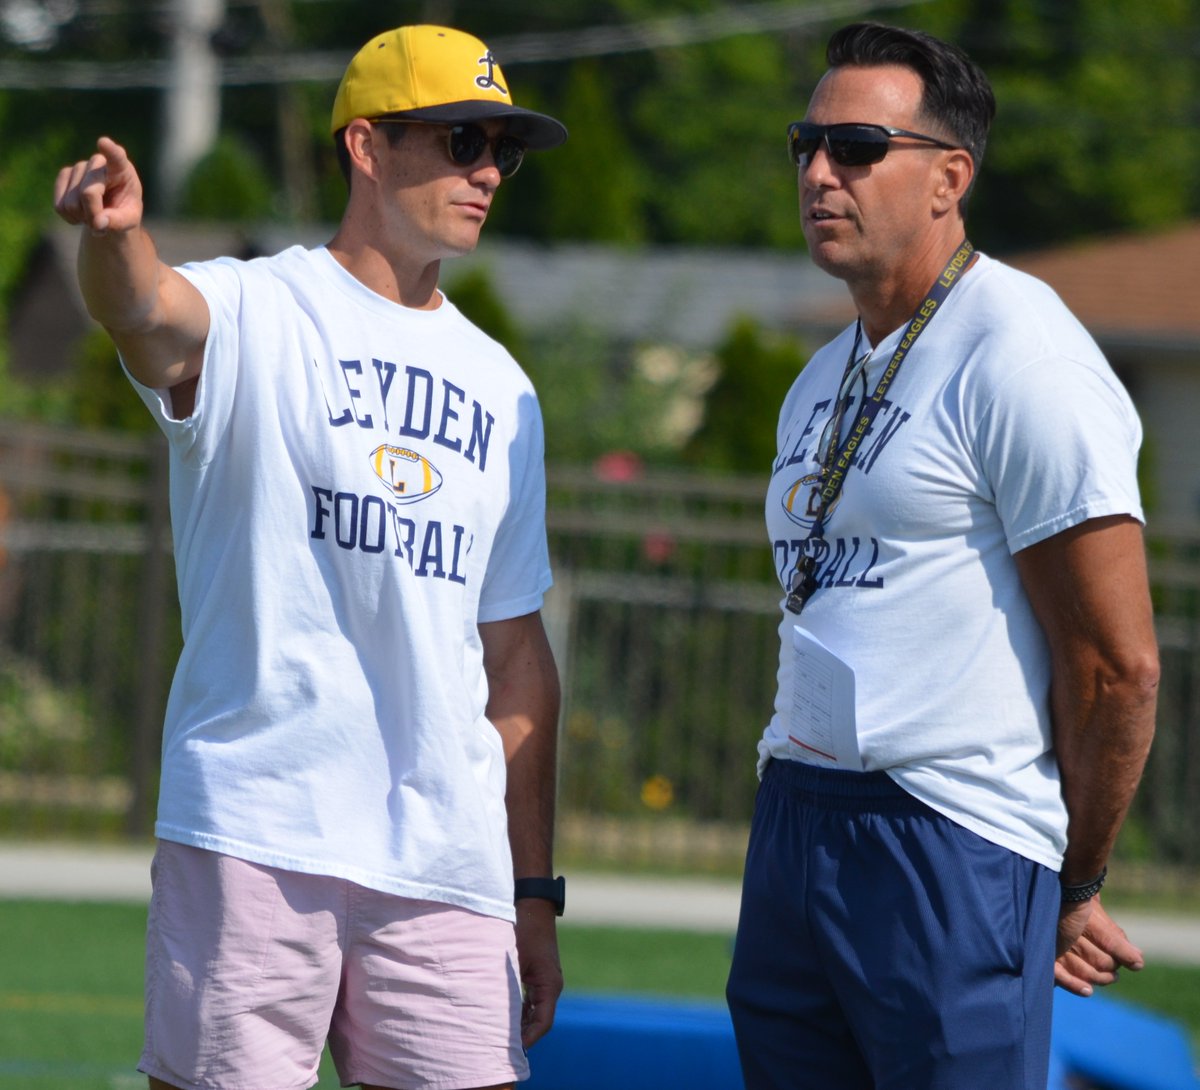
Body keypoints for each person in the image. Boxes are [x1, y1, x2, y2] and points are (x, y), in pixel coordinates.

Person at [54, 24, 568, 1090]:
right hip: (259, 830)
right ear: (367, 146)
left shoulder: (504, 386)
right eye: (462, 139)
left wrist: (533, 892)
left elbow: (517, 659)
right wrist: (112, 238)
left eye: (504, 150)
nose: (487, 170)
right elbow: (144, 309)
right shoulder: (256, 307)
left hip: (446, 864)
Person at [726, 21, 1159, 1090]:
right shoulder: (823, 374)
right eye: (806, 145)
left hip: (948, 832)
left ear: (949, 178)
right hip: (797, 815)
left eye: (857, 149)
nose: (819, 174)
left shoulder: (1024, 354)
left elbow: (1117, 665)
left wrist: (1074, 879)